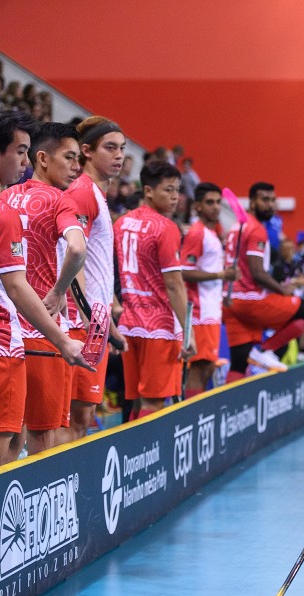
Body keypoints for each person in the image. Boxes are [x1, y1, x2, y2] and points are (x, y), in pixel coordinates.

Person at [0, 112, 89, 473]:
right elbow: (17, 286)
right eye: (20, 152)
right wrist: (63, 338)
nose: (24, 162)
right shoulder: (0, 210)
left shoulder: (5, 203)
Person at [2, 122, 87, 456]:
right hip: (42, 332)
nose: (77, 166)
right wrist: (57, 291)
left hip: (4, 333)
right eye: (69, 157)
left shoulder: (3, 197)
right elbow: (78, 250)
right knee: (42, 436)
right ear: (42, 158)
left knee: (8, 436)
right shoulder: (59, 201)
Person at [114, 160, 195, 418]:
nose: (175, 197)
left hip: (128, 323)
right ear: (148, 191)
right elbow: (173, 284)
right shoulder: (167, 228)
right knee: (153, 404)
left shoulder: (121, 223)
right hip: (158, 326)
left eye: (177, 190)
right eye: (168, 190)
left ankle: (129, 457)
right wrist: (188, 330)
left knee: (135, 402)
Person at [64, 116, 127, 442]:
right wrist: (91, 317)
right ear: (86, 150)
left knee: (84, 416)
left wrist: (109, 327)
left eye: (122, 149)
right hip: (81, 320)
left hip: (96, 318)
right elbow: (73, 257)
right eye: (110, 148)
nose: (118, 155)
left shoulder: (98, 196)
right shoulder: (83, 193)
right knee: (75, 418)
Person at [222, 181, 304, 376]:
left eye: (273, 200)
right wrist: (282, 290)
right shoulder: (256, 229)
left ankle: (230, 406)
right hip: (250, 301)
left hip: (229, 302)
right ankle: (266, 351)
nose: (270, 204)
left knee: (239, 362)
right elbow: (257, 272)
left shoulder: (236, 227)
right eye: (264, 200)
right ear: (252, 203)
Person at [180, 182, 235, 397]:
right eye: (209, 202)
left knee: (209, 368)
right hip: (199, 311)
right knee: (199, 368)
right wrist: (222, 275)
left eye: (218, 202)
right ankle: (191, 420)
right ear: (198, 206)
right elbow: (185, 271)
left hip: (212, 309)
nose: (215, 207)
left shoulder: (212, 234)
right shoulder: (197, 233)